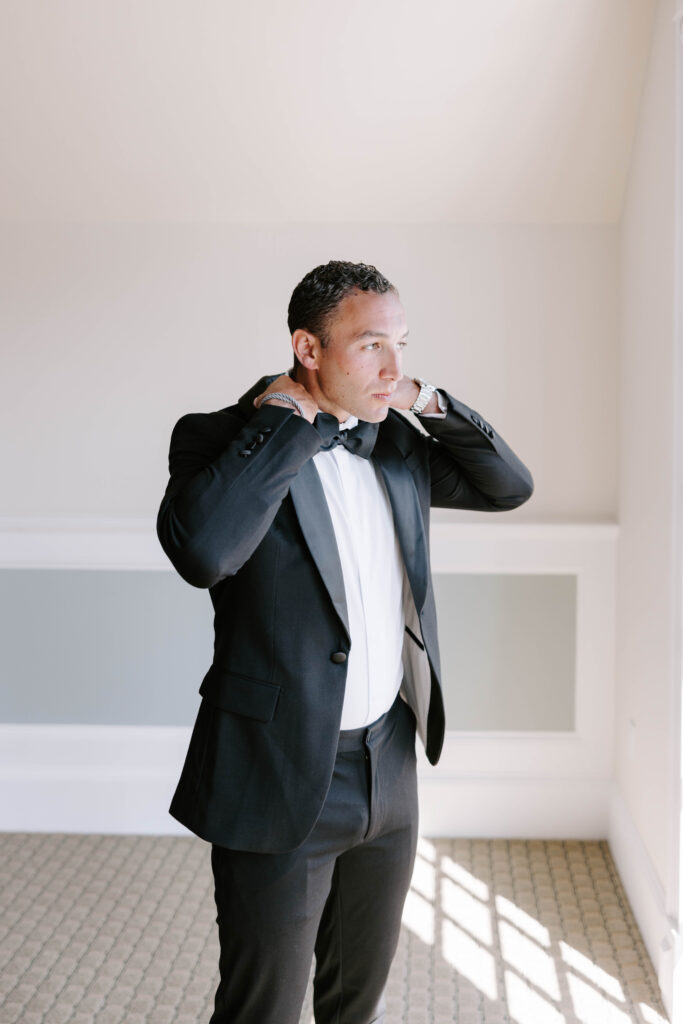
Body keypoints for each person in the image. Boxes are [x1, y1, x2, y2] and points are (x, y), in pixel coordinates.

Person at [157, 260, 533, 1024]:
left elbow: (508, 486)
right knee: (262, 1007)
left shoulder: (394, 442)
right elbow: (203, 553)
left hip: (388, 760)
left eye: (402, 344)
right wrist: (279, 422)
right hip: (280, 767)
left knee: (354, 999)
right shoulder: (217, 439)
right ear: (308, 348)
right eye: (371, 346)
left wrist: (427, 401)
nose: (394, 366)